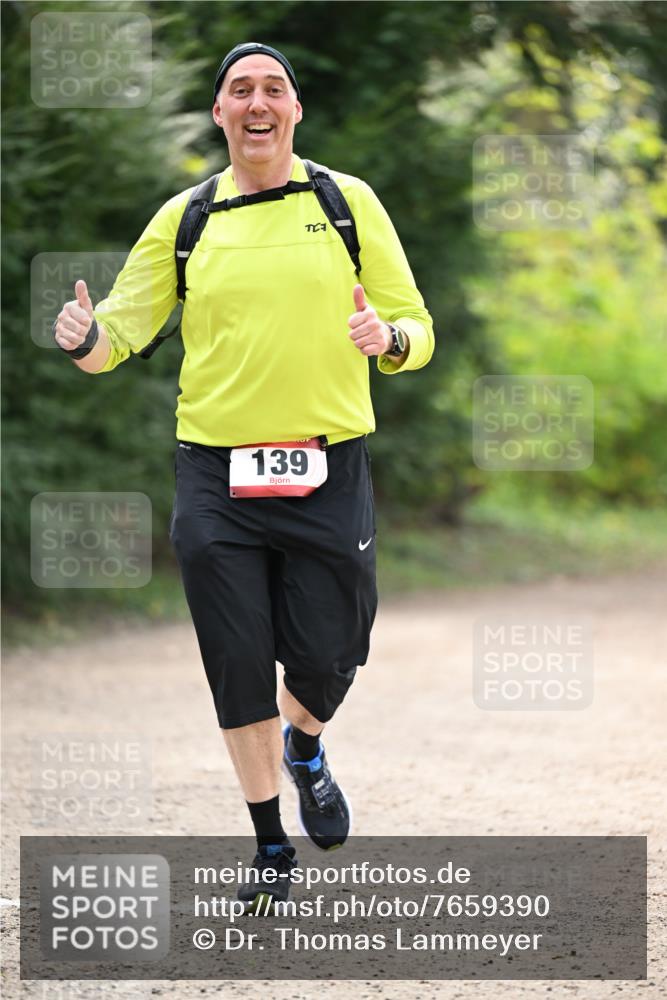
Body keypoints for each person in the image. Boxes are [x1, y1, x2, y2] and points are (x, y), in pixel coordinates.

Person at [53, 41, 434, 910]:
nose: (256, 103)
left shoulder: (346, 204)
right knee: (235, 659)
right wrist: (84, 336)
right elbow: (118, 333)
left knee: (334, 651)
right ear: (220, 114)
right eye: (238, 91)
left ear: (295, 111)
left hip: (326, 464)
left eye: (272, 89)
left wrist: (392, 342)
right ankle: (269, 844)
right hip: (214, 477)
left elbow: (415, 323)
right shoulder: (187, 218)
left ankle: (306, 746)